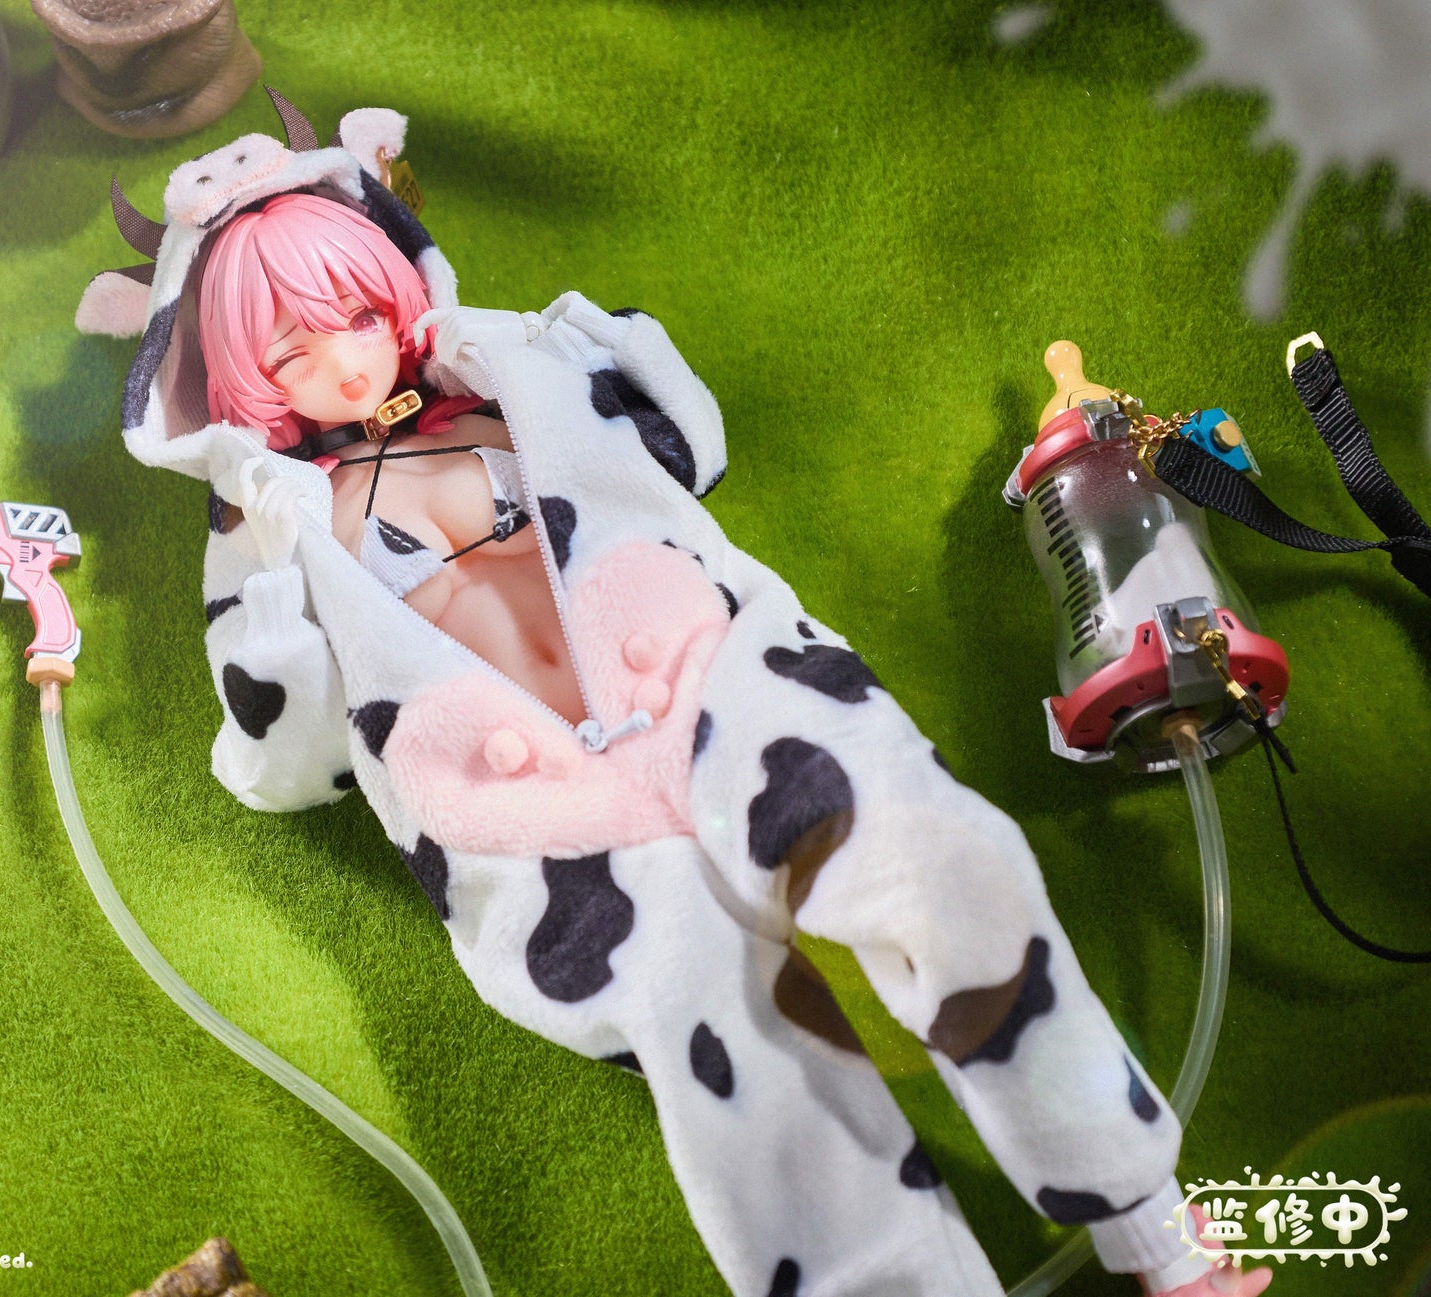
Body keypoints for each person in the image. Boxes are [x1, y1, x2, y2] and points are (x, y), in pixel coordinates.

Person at [88, 95, 1270, 1297]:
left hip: (720, 693)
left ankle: (1146, 1223)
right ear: (237, 381)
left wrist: (549, 344)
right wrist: (275, 584)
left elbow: (687, 447)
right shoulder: (270, 526)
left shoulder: (510, 381)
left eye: (354, 311)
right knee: (719, 1030)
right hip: (543, 825)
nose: (344, 358)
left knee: (933, 853)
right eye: (290, 350)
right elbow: (285, 762)